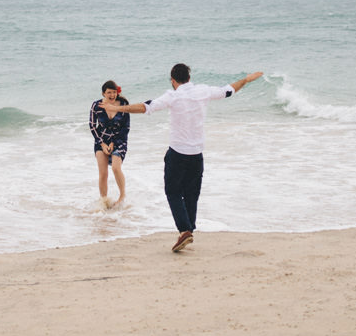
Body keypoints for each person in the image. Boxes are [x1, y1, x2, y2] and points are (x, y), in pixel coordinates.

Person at [102, 63, 263, 252]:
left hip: (177, 153)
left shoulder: (173, 96)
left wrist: (118, 109)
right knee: (192, 194)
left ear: (173, 80)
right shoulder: (203, 91)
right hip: (197, 154)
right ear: (188, 77)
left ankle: (185, 230)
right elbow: (228, 91)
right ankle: (188, 231)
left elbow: (145, 107)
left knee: (173, 192)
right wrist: (245, 79)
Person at [88, 80, 130, 209]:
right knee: (103, 173)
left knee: (116, 168)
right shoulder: (96, 106)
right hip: (101, 140)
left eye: (114, 92)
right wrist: (102, 143)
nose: (112, 95)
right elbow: (92, 125)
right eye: (109, 93)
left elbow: (126, 128)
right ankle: (104, 201)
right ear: (103, 93)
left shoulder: (123, 105)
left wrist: (113, 143)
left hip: (119, 140)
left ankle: (122, 196)